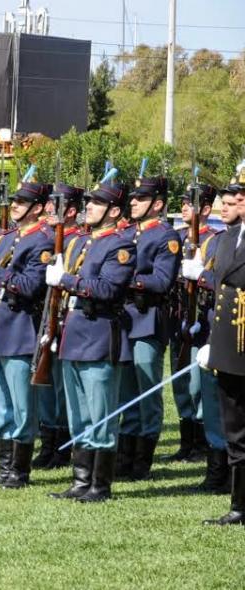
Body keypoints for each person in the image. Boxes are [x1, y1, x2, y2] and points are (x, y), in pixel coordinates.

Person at [45, 179, 135, 503]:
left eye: (97, 204)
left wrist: (66, 279)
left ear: (114, 211)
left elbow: (109, 289)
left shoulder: (121, 246)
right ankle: (81, 480)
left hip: (99, 334)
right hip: (75, 332)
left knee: (102, 415)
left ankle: (100, 484)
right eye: (89, 203)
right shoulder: (81, 243)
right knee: (79, 414)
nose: (89, 208)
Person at [0, 179, 53, 488]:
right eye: (15, 201)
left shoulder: (42, 242)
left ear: (36, 208)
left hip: (21, 328)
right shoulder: (6, 240)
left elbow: (31, 286)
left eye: (22, 202)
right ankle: (5, 466)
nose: (16, 205)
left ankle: (20, 471)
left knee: (21, 405)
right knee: (0, 403)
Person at [114, 174, 181, 481]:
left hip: (146, 319)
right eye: (133, 198)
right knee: (126, 391)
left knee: (147, 391)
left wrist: (128, 281)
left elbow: (162, 281)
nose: (133, 202)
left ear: (158, 204)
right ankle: (124, 457)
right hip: (124, 319)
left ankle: (143, 460)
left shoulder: (165, 236)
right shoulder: (127, 232)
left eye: (141, 199)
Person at [196, 166, 245, 525]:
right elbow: (221, 291)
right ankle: (239, 505)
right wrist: (213, 342)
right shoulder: (227, 238)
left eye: (233, 201)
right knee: (235, 429)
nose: (226, 207)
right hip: (230, 346)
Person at [166, 186, 220, 463]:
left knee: (198, 386)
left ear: (206, 210)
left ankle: (201, 442)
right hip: (179, 319)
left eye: (191, 203)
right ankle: (187, 441)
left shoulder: (215, 240)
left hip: (202, 322)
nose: (185, 207)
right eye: (183, 202)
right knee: (181, 384)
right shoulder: (176, 239)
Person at [182, 183, 230, 492]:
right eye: (224, 203)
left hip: (233, 332)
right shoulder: (216, 242)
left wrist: (200, 275)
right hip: (213, 329)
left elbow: (230, 285)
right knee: (212, 403)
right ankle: (216, 472)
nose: (226, 208)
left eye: (233, 202)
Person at [34, 183, 86, 469]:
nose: (50, 210)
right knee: (45, 384)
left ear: (71, 211)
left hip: (68, 318)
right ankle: (48, 442)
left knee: (63, 389)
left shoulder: (78, 240)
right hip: (47, 315)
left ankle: (63, 445)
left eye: (57, 205)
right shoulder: (46, 237)